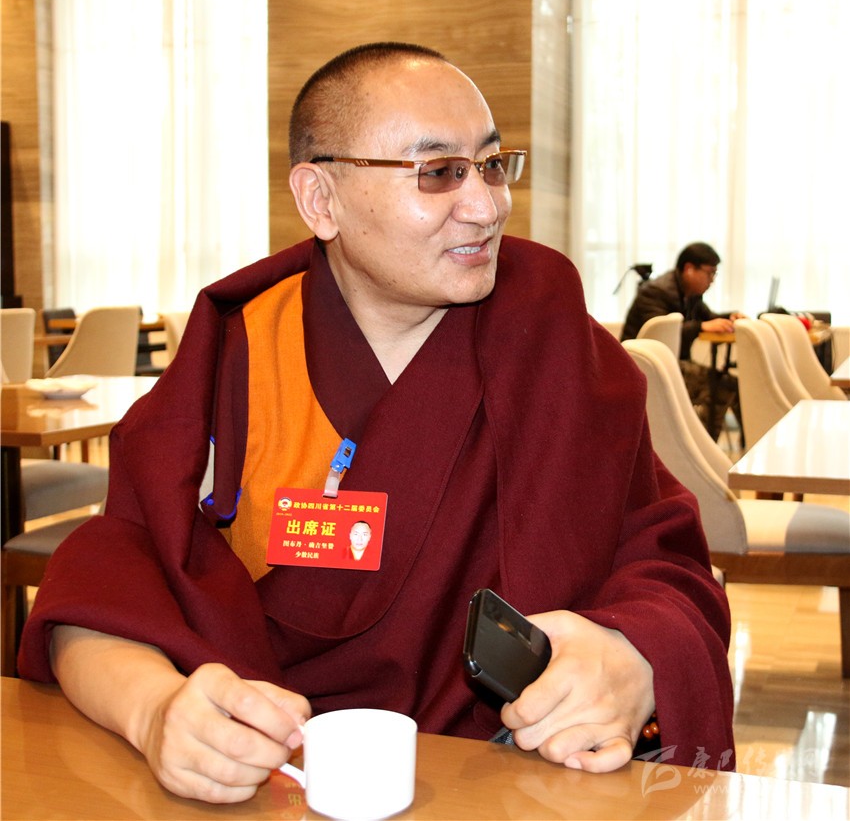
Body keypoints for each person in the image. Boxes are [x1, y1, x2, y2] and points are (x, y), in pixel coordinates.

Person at [19, 43, 735, 805]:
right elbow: (99, 589)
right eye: (439, 172)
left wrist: (631, 655)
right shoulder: (243, 353)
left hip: (514, 783)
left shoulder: (549, 339)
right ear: (320, 199)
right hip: (275, 781)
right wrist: (157, 711)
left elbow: (666, 566)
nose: (487, 205)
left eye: (492, 165)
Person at [620, 242, 746, 439]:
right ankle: (700, 447)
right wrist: (700, 327)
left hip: (671, 365)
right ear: (689, 269)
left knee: (733, 385)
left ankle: (736, 445)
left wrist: (730, 317)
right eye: (709, 273)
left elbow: (709, 318)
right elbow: (661, 335)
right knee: (723, 386)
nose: (712, 280)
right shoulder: (656, 292)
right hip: (644, 370)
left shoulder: (690, 294)